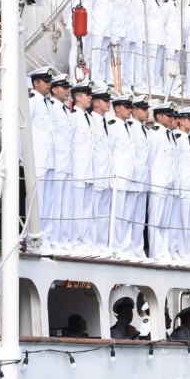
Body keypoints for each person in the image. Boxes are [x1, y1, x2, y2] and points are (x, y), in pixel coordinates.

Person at [27, 66, 56, 253]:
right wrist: (22, 156)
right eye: (46, 82)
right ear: (36, 83)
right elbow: (23, 127)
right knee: (36, 202)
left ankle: (45, 240)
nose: (49, 85)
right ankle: (33, 242)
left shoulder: (47, 103)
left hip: (48, 159)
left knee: (48, 204)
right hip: (36, 159)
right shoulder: (31, 100)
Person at [146, 101, 179, 261]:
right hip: (158, 183)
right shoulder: (155, 133)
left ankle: (163, 250)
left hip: (168, 184)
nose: (172, 119)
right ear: (159, 116)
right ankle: (155, 251)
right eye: (169, 116)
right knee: (155, 220)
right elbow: (149, 160)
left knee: (165, 221)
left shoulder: (169, 135)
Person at [69, 80, 95, 254]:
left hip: (90, 170)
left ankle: (85, 242)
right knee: (76, 209)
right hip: (77, 169)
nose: (90, 98)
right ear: (78, 97)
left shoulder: (90, 119)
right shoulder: (73, 116)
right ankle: (74, 241)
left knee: (88, 210)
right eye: (87, 95)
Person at [108, 93, 136, 259]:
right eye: (127, 107)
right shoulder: (113, 126)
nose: (130, 110)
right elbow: (109, 152)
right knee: (116, 215)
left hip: (128, 177)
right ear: (117, 108)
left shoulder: (128, 127)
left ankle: (124, 247)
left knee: (126, 216)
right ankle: (115, 247)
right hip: (118, 176)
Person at [171, 106, 190, 262]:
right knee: (180, 221)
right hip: (182, 186)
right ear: (181, 121)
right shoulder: (177, 138)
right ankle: (180, 251)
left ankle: (189, 251)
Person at [48, 73, 73, 252]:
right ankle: (49, 240)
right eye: (64, 88)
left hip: (66, 164)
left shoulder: (66, 111)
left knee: (64, 206)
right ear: (54, 89)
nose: (67, 91)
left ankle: (61, 241)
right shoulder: (50, 107)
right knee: (51, 205)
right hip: (53, 163)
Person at [89, 83, 115, 256]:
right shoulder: (89, 120)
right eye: (105, 100)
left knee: (104, 213)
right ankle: (90, 243)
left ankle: (101, 244)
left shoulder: (106, 123)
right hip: (94, 173)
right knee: (92, 212)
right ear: (96, 103)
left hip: (106, 174)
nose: (108, 103)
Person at [128, 95, 151, 259]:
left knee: (139, 218)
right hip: (131, 178)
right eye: (144, 109)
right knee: (127, 216)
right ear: (134, 111)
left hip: (143, 179)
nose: (147, 112)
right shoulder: (129, 127)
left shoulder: (147, 131)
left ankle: (137, 248)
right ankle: (127, 247)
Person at [84, 0, 112, 82]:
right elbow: (89, 9)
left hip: (106, 29)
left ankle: (100, 80)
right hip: (97, 28)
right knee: (95, 56)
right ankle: (94, 80)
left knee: (103, 57)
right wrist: (89, 27)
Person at [105, 0, 128, 86]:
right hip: (113, 28)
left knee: (121, 57)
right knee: (112, 55)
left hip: (121, 29)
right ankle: (111, 81)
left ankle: (119, 81)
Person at [144, 0, 166, 93]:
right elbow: (145, 19)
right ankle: (150, 85)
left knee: (157, 64)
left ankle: (156, 86)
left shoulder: (157, 2)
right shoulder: (147, 0)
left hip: (160, 38)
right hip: (152, 37)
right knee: (151, 63)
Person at [126, 0, 147, 90]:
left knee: (141, 61)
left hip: (140, 33)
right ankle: (133, 83)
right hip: (135, 32)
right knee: (134, 60)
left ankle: (139, 83)